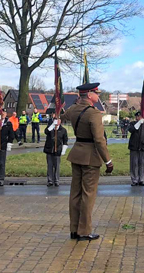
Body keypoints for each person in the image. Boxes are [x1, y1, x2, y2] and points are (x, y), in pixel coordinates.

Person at [61, 83, 113, 241]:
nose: (98, 96)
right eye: (96, 93)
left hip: (77, 153)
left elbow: (61, 117)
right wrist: (108, 161)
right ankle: (84, 231)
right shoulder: (94, 114)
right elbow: (99, 139)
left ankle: (74, 229)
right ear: (90, 95)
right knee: (88, 194)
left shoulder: (73, 109)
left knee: (75, 193)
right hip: (91, 157)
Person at [128, 112, 144, 186]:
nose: (139, 118)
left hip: (143, 146)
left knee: (142, 164)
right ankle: (134, 179)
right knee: (134, 164)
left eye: (140, 116)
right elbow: (131, 130)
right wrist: (138, 123)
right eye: (138, 116)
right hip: (134, 147)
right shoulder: (132, 124)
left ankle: (141, 179)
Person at [44, 116, 69, 187]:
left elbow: (65, 141)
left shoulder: (63, 130)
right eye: (55, 120)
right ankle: (50, 180)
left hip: (57, 150)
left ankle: (56, 180)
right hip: (49, 150)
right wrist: (52, 125)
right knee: (50, 166)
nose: (57, 121)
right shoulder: (50, 128)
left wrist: (63, 150)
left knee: (57, 166)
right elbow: (46, 132)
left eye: (58, 120)